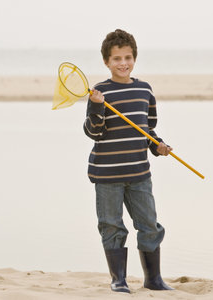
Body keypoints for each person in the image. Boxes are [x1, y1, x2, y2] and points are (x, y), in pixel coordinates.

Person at [83, 29, 174, 293]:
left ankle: (153, 279)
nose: (123, 63)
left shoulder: (144, 89)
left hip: (139, 173)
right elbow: (93, 132)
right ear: (106, 62)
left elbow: (147, 130)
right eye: (116, 59)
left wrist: (159, 147)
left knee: (149, 224)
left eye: (128, 57)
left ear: (134, 58)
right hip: (106, 174)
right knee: (111, 226)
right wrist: (97, 106)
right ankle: (118, 280)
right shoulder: (100, 91)